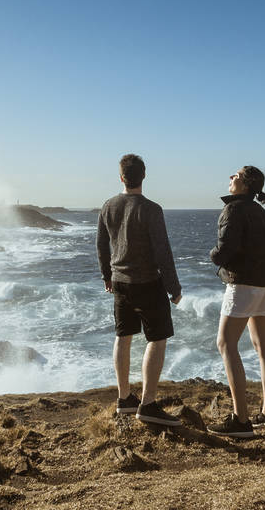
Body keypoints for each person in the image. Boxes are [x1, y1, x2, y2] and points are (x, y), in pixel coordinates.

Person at [96, 153, 183, 426]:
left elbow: (101, 245)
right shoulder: (151, 209)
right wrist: (174, 287)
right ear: (143, 176)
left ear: (121, 177)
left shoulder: (108, 206)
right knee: (156, 339)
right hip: (147, 282)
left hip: (120, 281)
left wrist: (106, 275)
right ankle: (147, 404)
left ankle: (124, 398)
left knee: (123, 336)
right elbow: (162, 251)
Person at [207, 165, 265, 439]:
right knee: (263, 344)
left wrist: (213, 255)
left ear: (246, 185)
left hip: (244, 281)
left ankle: (240, 420)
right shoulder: (261, 212)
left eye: (235, 176)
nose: (230, 177)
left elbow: (226, 249)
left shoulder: (234, 209)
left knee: (225, 343)